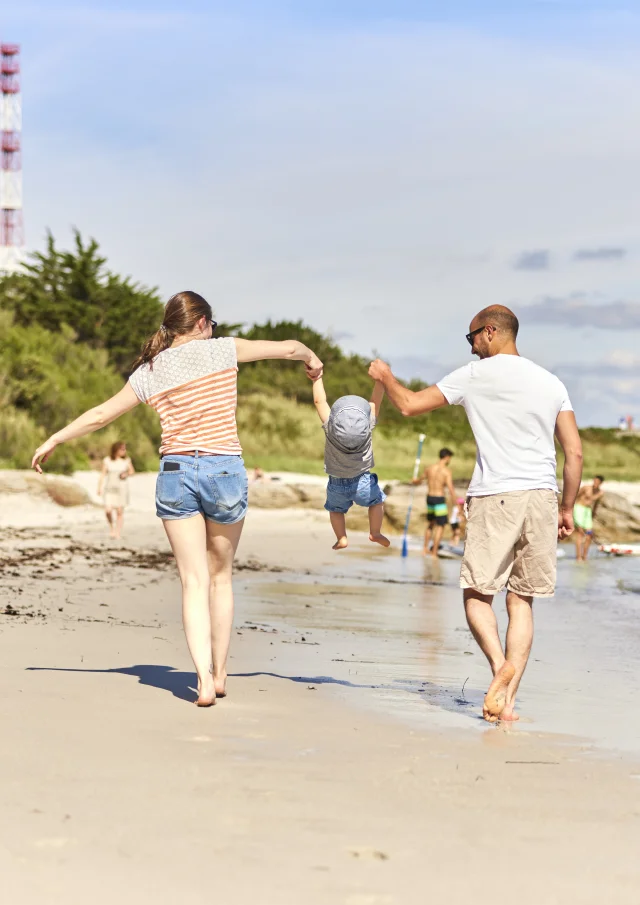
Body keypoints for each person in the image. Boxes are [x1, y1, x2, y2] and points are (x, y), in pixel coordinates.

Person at [32, 290, 323, 708]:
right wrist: (312, 360)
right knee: (221, 578)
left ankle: (202, 681)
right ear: (202, 322)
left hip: (174, 472)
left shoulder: (150, 371)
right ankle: (221, 675)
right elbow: (291, 348)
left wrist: (55, 438)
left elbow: (101, 415)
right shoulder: (225, 351)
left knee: (193, 582)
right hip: (224, 470)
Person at [368, 305, 583, 723]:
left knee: (477, 595)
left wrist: (385, 378)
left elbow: (410, 405)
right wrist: (568, 507)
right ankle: (507, 702)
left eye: (471, 340)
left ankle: (499, 665)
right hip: (542, 495)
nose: (471, 349)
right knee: (522, 601)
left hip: (496, 495)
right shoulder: (551, 382)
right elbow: (573, 452)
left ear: (489, 332)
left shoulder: (473, 376)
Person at [311, 375, 389, 550]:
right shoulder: (367, 427)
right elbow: (375, 402)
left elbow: (319, 401)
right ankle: (375, 532)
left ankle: (342, 537)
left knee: (336, 510)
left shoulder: (330, 428)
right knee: (376, 502)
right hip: (363, 482)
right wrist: (380, 381)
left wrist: (317, 378)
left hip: (336, 483)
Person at [413, 448, 456, 557]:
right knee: (440, 526)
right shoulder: (446, 471)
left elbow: (419, 481)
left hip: (430, 498)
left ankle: (424, 549)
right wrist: (456, 503)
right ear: (447, 457)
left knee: (431, 523)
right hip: (439, 499)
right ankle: (434, 552)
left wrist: (414, 480)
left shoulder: (429, 468)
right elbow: (450, 489)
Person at [97, 441, 134, 539]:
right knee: (108, 510)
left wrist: (125, 474)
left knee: (119, 511)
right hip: (109, 488)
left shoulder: (126, 460)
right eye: (122, 449)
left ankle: (117, 533)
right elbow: (103, 474)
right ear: (116, 449)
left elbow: (131, 471)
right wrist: (99, 487)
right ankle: (111, 528)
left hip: (122, 488)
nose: (124, 451)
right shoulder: (107, 460)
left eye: (125, 449)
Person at [573, 475, 605, 561]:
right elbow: (575, 496)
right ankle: (578, 557)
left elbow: (596, 504)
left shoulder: (600, 493)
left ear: (601, 483)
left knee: (589, 535)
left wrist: (593, 514)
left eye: (597, 482)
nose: (595, 483)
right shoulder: (586, 488)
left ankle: (585, 556)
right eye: (594, 481)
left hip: (588, 511)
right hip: (579, 508)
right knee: (580, 533)